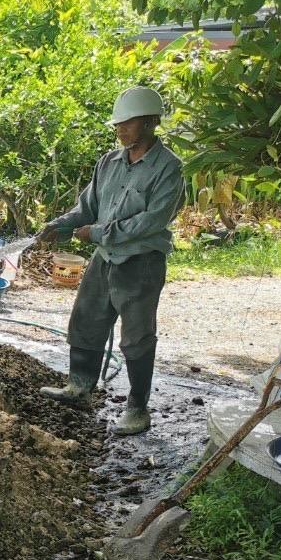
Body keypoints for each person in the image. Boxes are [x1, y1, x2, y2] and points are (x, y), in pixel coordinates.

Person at [37, 86, 184, 435]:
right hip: (104, 260)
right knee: (86, 320)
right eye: (117, 124)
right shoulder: (109, 161)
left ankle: (137, 408)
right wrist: (61, 224)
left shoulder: (169, 169)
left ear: (150, 122)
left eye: (127, 124)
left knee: (136, 337)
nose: (120, 130)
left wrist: (98, 233)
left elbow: (152, 221)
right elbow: (87, 207)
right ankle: (79, 386)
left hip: (141, 263)